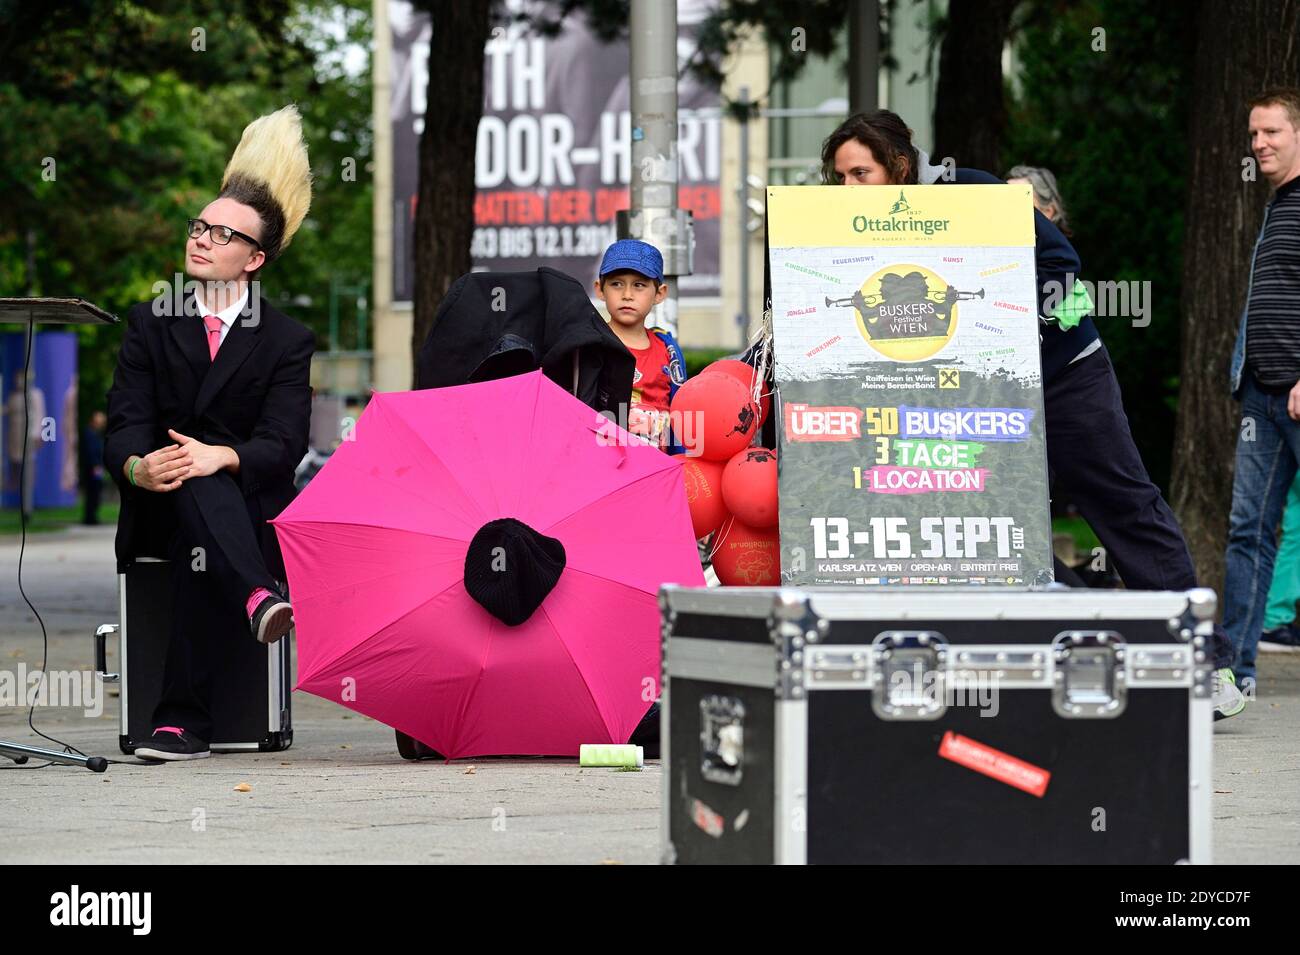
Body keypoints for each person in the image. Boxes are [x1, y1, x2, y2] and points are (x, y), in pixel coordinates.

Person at [820, 110, 1244, 719]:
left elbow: (1061, 267)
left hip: (1064, 373)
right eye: (840, 178)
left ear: (900, 166)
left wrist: (1004, 336)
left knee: (1122, 503)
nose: (849, 190)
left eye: (861, 173)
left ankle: (1210, 663)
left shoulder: (971, 192)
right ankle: (1073, 648)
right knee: (980, 519)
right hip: (976, 395)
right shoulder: (857, 232)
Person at [104, 105, 315, 761]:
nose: (201, 238)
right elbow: (125, 423)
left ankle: (180, 722)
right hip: (157, 501)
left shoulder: (285, 340)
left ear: (253, 259)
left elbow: (284, 446)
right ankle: (257, 597)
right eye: (200, 225)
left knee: (205, 488)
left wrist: (220, 455)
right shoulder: (150, 320)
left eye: (222, 234)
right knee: (187, 487)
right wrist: (139, 467)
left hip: (247, 506)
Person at [1222, 88, 1300, 695]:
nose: (1259, 144)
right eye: (1253, 134)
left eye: (1271, 132)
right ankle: (1235, 672)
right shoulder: (1277, 206)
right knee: (1248, 531)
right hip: (1262, 398)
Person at [592, 239, 688, 452]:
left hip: (658, 473)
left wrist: (682, 464)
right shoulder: (591, 343)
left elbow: (680, 416)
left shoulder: (667, 349)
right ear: (600, 289)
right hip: (605, 468)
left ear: (659, 293)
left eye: (639, 285)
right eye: (616, 283)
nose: (627, 294)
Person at [81, 409, 106, 525]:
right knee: (93, 493)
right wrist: (95, 465)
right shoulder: (89, 433)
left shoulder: (94, 433)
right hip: (92, 468)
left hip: (95, 467)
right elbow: (90, 452)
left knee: (95, 493)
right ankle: (89, 518)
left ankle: (91, 516)